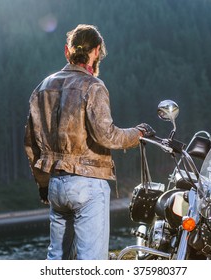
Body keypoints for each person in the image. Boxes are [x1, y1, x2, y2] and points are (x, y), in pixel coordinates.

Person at [24, 24, 155, 260]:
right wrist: (138, 134)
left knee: (57, 259)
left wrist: (44, 183)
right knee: (92, 263)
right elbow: (107, 135)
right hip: (88, 184)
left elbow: (32, 145)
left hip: (55, 184)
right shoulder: (93, 86)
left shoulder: (42, 88)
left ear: (67, 51)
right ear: (96, 51)